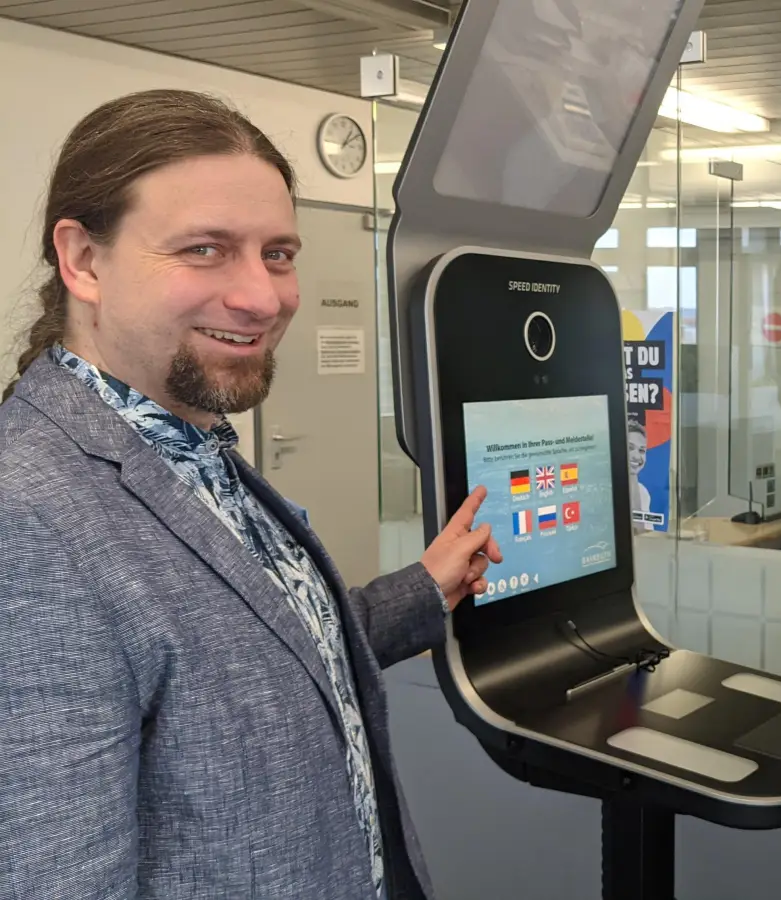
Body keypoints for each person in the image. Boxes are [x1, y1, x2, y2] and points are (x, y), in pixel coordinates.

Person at [0, 90, 502, 899]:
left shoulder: (183, 444)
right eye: (205, 249)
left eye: (278, 253)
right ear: (83, 260)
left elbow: (252, 662)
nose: (264, 298)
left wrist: (425, 589)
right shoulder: (28, 518)